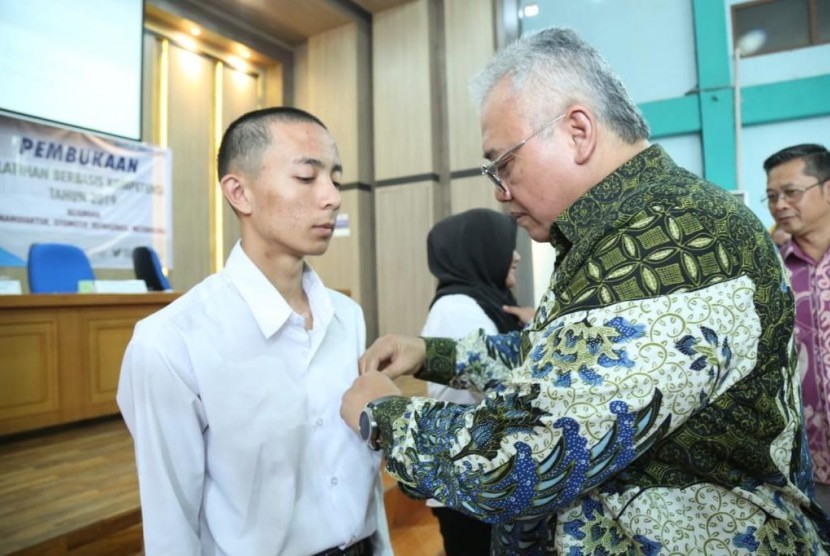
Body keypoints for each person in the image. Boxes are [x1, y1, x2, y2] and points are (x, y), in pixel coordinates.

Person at [341, 27, 830, 554]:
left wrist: (383, 415)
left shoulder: (675, 235)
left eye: (504, 163)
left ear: (578, 131)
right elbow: (566, 361)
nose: (499, 190)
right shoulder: (621, 232)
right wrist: (435, 355)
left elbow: (523, 459)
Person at [118, 107, 391, 555]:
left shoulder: (347, 316)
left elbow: (362, 475)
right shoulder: (170, 342)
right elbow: (171, 527)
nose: (332, 198)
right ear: (239, 192)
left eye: (335, 180)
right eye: (306, 177)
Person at [421, 208, 533, 555]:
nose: (514, 257)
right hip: (472, 490)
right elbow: (505, 389)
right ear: (478, 251)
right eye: (504, 248)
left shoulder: (487, 302)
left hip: (487, 486)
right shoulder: (457, 308)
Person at [764, 143, 830, 510]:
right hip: (807, 467)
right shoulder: (771, 270)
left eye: (791, 192)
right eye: (772, 196)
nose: (780, 205)